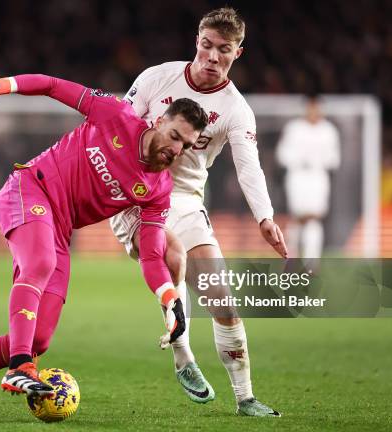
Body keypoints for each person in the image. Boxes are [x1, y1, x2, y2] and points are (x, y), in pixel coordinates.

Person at [0, 71, 208, 416]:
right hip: (28, 189)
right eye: (174, 136)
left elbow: (153, 253)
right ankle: (21, 367)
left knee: (39, 339)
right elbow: (52, 86)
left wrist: (171, 300)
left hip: (59, 230)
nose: (176, 149)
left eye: (186, 145)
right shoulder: (114, 114)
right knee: (39, 266)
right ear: (159, 121)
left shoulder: (158, 189)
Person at [109, 7, 286, 417]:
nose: (211, 56)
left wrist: (265, 216)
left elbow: (249, 165)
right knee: (173, 256)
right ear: (196, 40)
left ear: (237, 53)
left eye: (223, 50)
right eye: (205, 45)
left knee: (220, 296)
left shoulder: (236, 109)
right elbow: (117, 129)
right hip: (134, 194)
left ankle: (245, 398)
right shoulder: (156, 78)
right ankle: (183, 355)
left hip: (185, 197)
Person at [276, 95, 340, 258]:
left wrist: (317, 160)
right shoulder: (294, 128)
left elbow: (334, 159)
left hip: (318, 178)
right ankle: (290, 257)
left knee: (314, 219)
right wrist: (299, 160)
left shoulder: (329, 130)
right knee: (297, 218)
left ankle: (311, 263)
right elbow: (281, 155)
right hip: (297, 177)